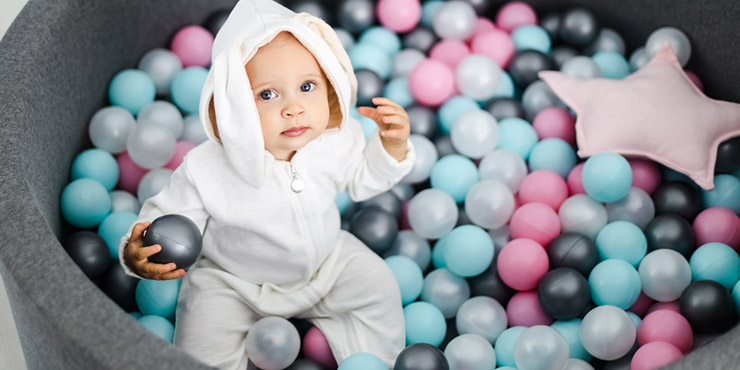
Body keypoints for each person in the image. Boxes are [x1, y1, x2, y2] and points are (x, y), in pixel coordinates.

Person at [117, 0, 415, 368]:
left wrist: (391, 147)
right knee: (201, 333)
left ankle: (378, 362)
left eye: (308, 86)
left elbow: (362, 179)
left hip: (326, 264)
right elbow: (167, 218)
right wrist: (136, 251)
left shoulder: (335, 138)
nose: (294, 108)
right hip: (234, 281)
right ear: (234, 106)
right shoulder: (206, 168)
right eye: (268, 94)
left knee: (378, 286)